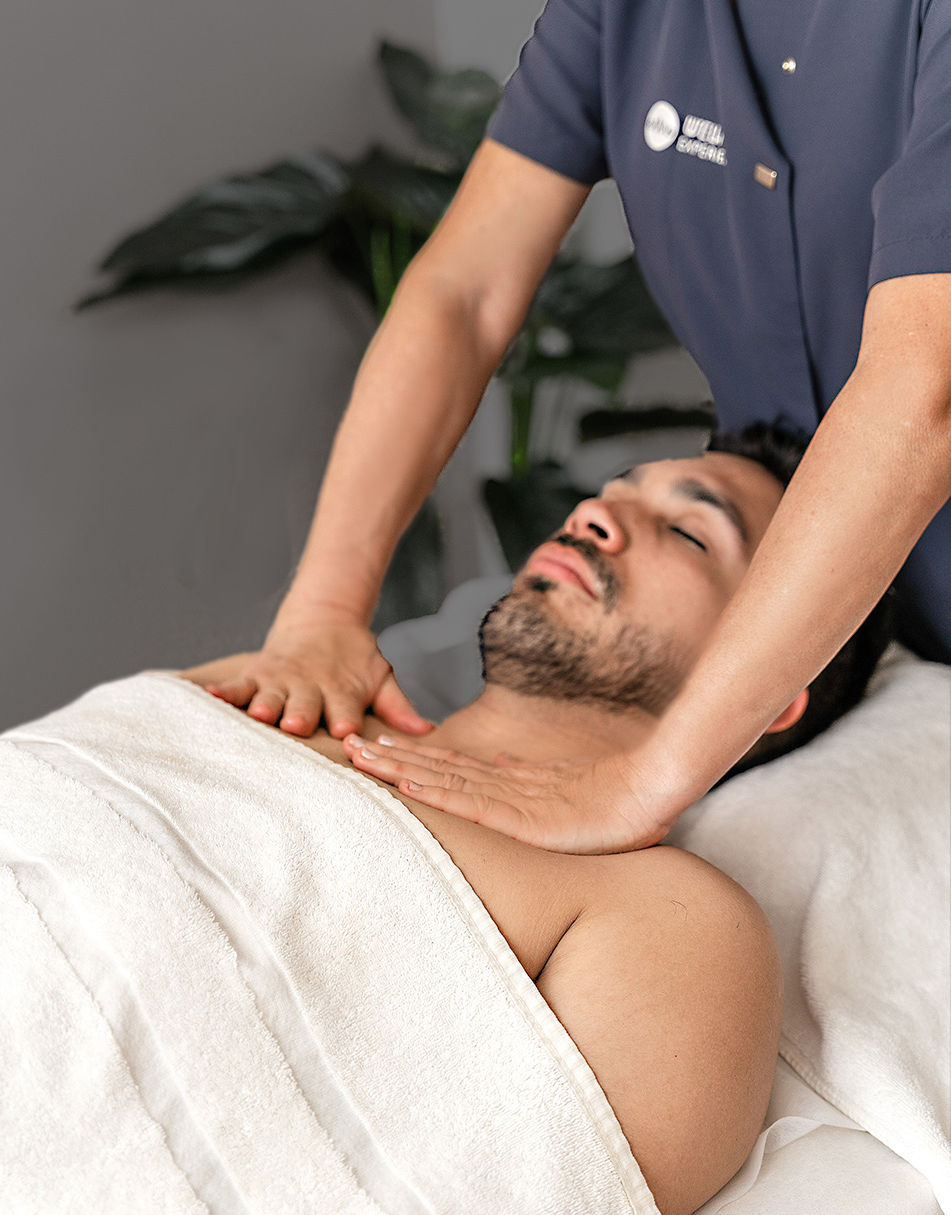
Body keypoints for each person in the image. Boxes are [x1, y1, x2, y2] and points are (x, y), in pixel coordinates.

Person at [202, 0, 949, 854]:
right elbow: (466, 292)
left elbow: (924, 384)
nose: (597, 515)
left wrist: (648, 781)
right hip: (813, 594)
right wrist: (324, 611)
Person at [188, 429, 891, 1211]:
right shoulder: (275, 693)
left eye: (690, 532)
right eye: (616, 489)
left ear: (772, 686)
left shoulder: (669, 917)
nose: (595, 514)